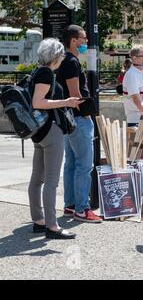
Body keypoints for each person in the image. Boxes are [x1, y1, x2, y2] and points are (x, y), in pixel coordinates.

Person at [29, 38, 83, 239]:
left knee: (38, 179)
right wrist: (66, 101)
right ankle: (52, 226)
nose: (63, 58)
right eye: (61, 54)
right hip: (50, 130)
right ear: (55, 56)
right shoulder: (45, 73)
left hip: (39, 131)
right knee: (50, 181)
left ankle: (38, 220)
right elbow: (38, 102)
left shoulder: (38, 71)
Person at [56, 24, 102, 223]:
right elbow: (75, 93)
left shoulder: (60, 60)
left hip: (65, 118)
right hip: (77, 118)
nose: (85, 42)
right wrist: (85, 115)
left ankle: (71, 204)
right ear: (73, 40)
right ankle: (82, 209)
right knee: (84, 164)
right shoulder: (72, 62)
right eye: (83, 38)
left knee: (71, 163)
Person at [123, 46, 143, 127]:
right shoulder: (131, 75)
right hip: (136, 120)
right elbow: (137, 101)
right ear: (134, 58)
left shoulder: (140, 72)